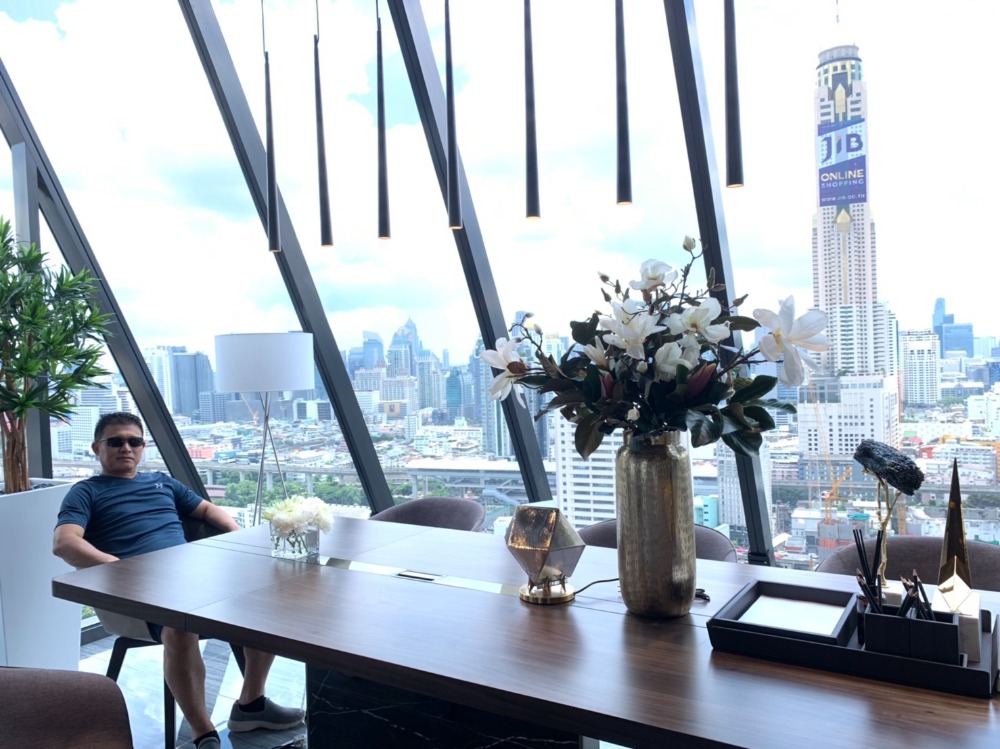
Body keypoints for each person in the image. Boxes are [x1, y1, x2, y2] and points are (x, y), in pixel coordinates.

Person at [53, 412, 304, 749]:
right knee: (179, 625)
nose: (126, 448)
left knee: (262, 600)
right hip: (137, 590)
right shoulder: (86, 492)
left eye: (134, 441)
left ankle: (251, 704)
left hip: (191, 576)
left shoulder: (162, 482)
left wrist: (238, 536)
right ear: (97, 448)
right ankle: (203, 732)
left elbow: (207, 511)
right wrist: (119, 567)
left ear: (142, 447)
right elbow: (65, 542)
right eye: (115, 441)